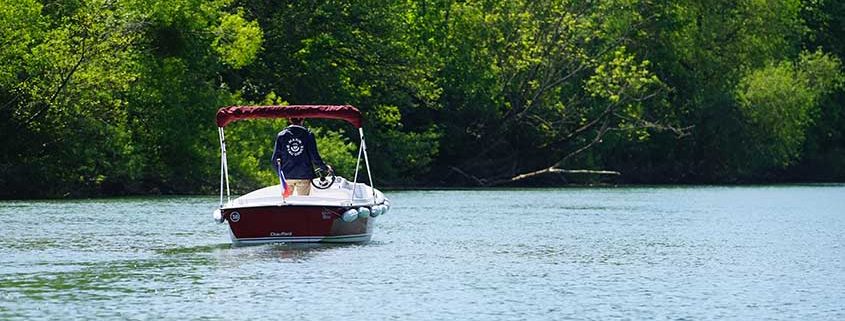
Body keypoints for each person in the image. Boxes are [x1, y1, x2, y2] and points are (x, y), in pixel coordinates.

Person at [270, 118, 330, 196]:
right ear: (302, 120)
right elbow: (314, 157)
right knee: (303, 203)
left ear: (290, 120)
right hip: (304, 175)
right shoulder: (308, 135)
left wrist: (281, 174)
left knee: (286, 203)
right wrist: (325, 168)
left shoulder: (282, 136)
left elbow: (274, 159)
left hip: (287, 176)